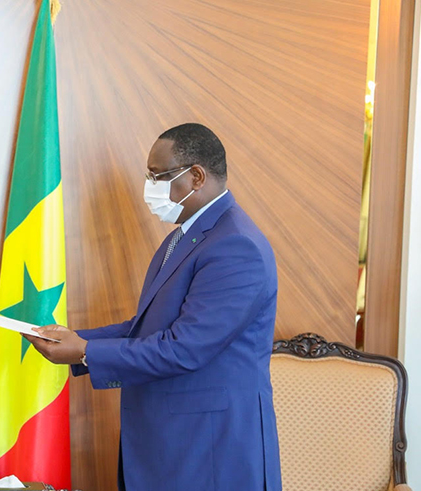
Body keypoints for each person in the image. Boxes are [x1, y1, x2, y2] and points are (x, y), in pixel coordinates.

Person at [25, 123, 282, 491]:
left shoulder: (235, 247)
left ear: (196, 176)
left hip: (209, 451)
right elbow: (149, 327)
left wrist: (86, 352)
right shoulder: (185, 236)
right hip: (171, 442)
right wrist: (75, 338)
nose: (150, 187)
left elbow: (184, 347)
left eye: (159, 176)